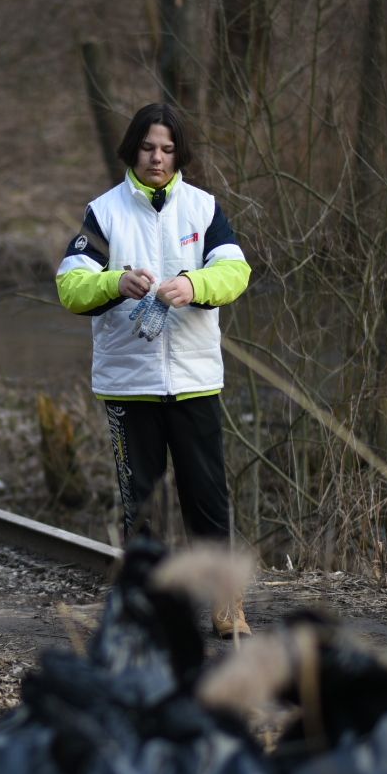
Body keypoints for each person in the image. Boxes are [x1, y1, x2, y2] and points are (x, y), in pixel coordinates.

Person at [55, 103, 254, 635]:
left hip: (194, 383)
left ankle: (224, 606)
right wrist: (115, 282)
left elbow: (235, 271)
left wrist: (195, 286)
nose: (157, 158)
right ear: (132, 150)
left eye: (167, 149)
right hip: (129, 386)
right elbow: (70, 286)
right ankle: (146, 612)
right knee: (139, 505)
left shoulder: (204, 209)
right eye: (147, 148)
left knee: (207, 498)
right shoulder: (104, 213)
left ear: (179, 153)